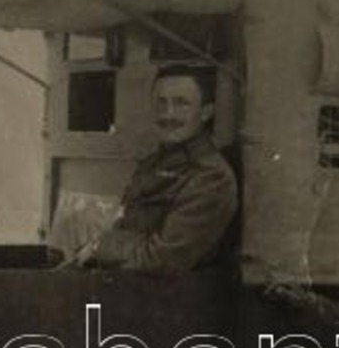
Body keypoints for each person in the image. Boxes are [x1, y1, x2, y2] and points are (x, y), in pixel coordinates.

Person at [69, 64, 238, 272]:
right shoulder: (151, 165)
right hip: (127, 290)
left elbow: (162, 257)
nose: (168, 115)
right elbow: (124, 228)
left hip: (173, 300)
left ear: (206, 112)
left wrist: (102, 247)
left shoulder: (212, 177)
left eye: (181, 104)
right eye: (161, 103)